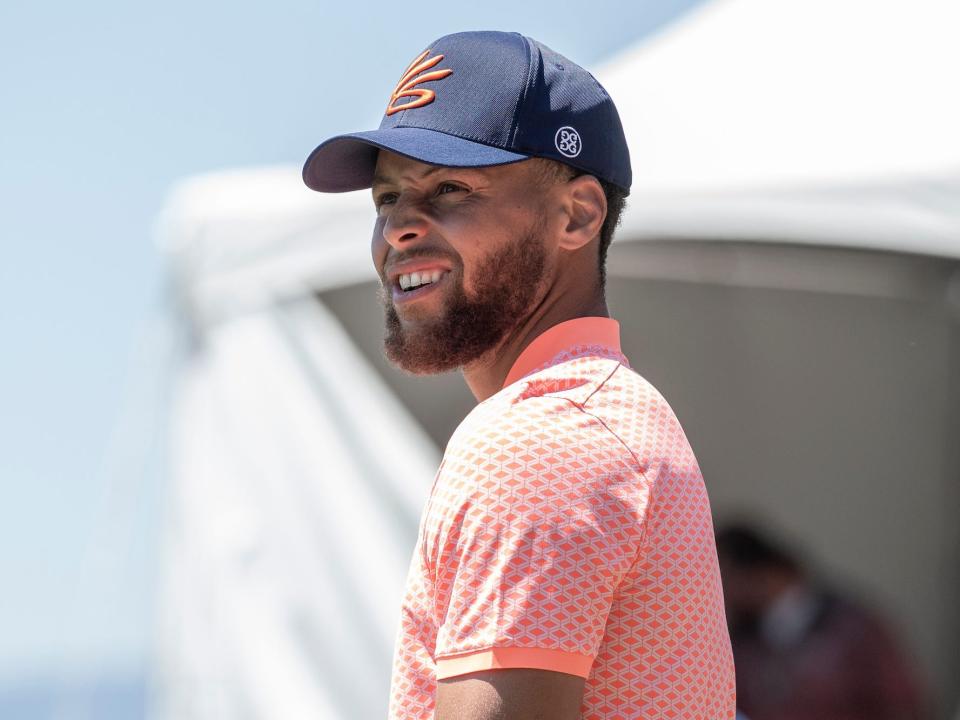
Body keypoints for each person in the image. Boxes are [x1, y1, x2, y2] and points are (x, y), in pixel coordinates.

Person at [302, 31, 735, 720]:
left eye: (448, 187)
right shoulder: (610, 412)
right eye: (386, 200)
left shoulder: (537, 441)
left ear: (577, 213)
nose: (400, 229)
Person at [716, 523, 930, 720]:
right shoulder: (740, 641)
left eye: (727, 577)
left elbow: (901, 703)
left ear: (763, 572)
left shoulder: (854, 628)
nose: (723, 590)